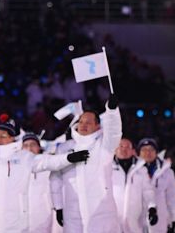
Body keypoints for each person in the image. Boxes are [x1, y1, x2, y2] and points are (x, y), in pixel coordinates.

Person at [51, 97, 123, 233]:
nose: (83, 125)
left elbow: (114, 133)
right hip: (73, 213)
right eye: (81, 121)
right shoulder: (64, 148)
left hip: (101, 213)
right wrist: (58, 206)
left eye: (89, 122)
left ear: (98, 126)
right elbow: (56, 178)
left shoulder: (104, 146)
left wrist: (112, 112)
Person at [125, 138, 175, 233]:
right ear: (138, 152)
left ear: (156, 152)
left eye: (151, 149)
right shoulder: (132, 171)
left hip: (160, 219)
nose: (148, 153)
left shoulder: (167, 172)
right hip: (137, 220)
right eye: (144, 150)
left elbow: (172, 197)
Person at [22, 133, 56, 233]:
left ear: (39, 147)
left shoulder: (48, 163)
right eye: (26, 145)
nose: (29, 148)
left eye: (33, 144)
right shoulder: (16, 167)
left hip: (44, 213)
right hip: (22, 215)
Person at [112, 137, 137, 232]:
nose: (124, 149)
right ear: (115, 150)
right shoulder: (106, 168)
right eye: (121, 146)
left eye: (127, 147)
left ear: (133, 151)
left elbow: (148, 192)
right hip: (113, 218)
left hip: (135, 221)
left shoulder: (140, 169)